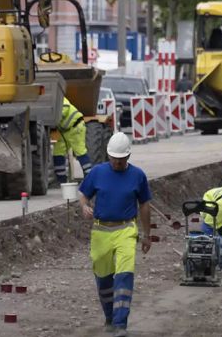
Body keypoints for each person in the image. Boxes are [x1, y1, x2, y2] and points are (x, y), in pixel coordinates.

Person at [79, 132, 152, 337]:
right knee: (103, 278)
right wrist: (84, 207)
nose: (117, 163)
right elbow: (83, 195)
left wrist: (147, 235)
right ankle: (110, 316)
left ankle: (121, 323)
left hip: (126, 229)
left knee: (124, 275)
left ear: (128, 157)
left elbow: (145, 205)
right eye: (113, 159)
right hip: (101, 231)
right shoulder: (97, 173)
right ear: (108, 156)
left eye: (120, 160)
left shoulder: (138, 175)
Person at [54, 97, 93, 184]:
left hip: (75, 128)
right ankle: (61, 180)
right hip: (65, 131)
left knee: (80, 152)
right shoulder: (53, 100)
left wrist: (53, 118)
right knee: (57, 153)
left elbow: (64, 109)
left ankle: (89, 177)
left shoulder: (60, 98)